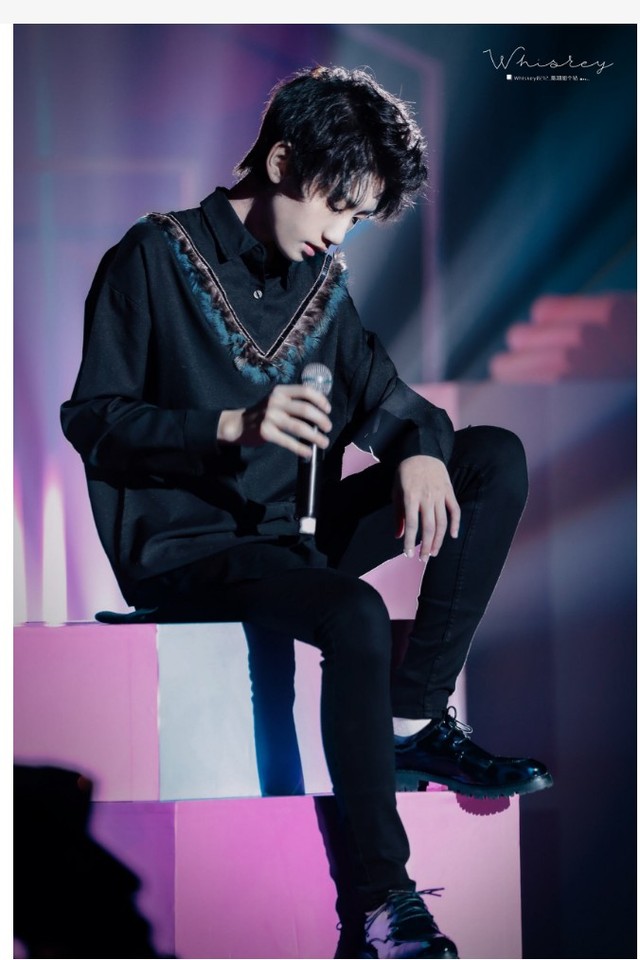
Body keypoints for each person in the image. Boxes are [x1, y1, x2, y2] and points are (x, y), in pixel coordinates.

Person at [61, 65, 552, 960]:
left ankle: (411, 719)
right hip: (188, 553)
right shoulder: (152, 256)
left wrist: (419, 450)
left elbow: (392, 403)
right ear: (282, 162)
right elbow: (95, 419)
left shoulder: (321, 287)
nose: (339, 235)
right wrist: (231, 425)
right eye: (337, 208)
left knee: (489, 459)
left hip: (291, 543)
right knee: (352, 611)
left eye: (358, 221)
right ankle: (382, 901)